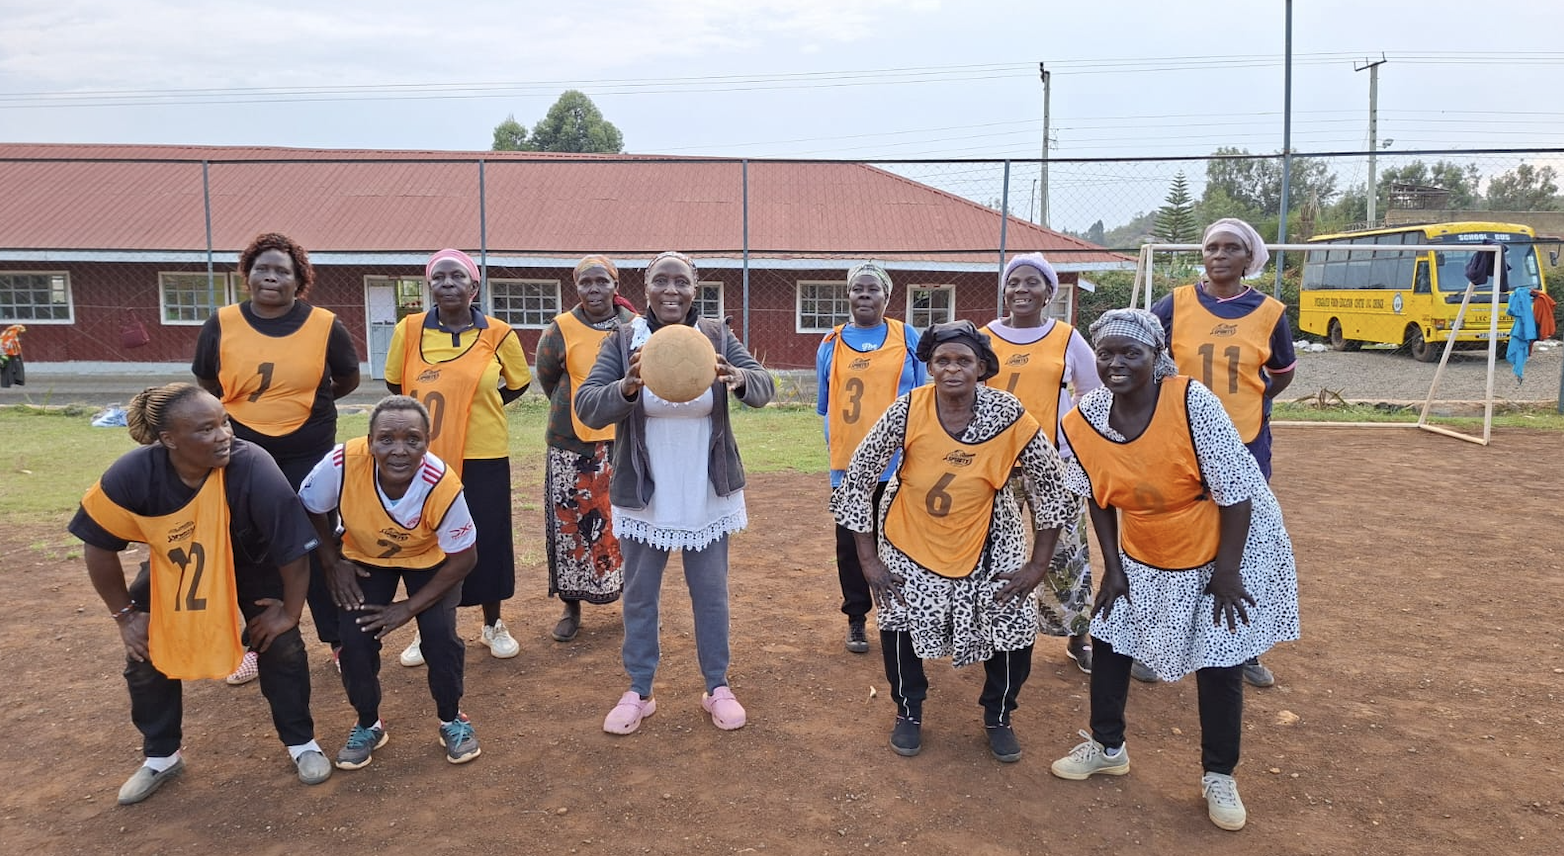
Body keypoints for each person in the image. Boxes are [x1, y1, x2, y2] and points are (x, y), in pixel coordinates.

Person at [1048, 309, 1300, 832]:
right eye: (1107, 353)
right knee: (1114, 635)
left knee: (1220, 654)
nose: (1116, 363)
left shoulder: (1190, 403)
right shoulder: (1085, 416)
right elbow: (1097, 494)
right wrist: (1113, 571)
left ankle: (1219, 775)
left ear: (1156, 357)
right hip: (1149, 536)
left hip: (1226, 539)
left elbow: (1236, 494)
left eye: (1130, 353)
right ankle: (1107, 745)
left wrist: (1227, 575)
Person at [69, 383, 332, 805]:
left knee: (280, 647)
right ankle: (161, 756)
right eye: (206, 429)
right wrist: (125, 615)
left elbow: (293, 552)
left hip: (253, 565)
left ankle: (302, 743)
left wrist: (289, 612)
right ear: (169, 440)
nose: (224, 435)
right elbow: (97, 543)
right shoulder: (134, 474)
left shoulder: (252, 466)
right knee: (145, 650)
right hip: (179, 569)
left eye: (224, 422)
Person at [830, 320, 1069, 763]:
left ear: (982, 368)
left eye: (963, 361)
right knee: (899, 618)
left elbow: (1053, 486)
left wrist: (1037, 566)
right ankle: (908, 710)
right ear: (930, 366)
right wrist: (869, 560)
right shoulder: (907, 409)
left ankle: (999, 714)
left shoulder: (1010, 414)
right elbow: (859, 477)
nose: (952, 370)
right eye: (942, 361)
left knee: (1013, 620)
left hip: (989, 539)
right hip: (909, 534)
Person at [575, 250, 775, 735]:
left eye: (680, 282)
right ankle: (639, 690)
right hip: (646, 489)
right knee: (641, 595)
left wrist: (739, 377)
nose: (670, 290)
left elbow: (765, 387)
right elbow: (587, 405)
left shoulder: (715, 336)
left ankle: (717, 686)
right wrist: (626, 386)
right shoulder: (625, 340)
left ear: (694, 287)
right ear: (645, 287)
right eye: (660, 281)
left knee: (711, 595)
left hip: (707, 487)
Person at [192, 232, 360, 684]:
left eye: (282, 270)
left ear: (298, 279)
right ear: (247, 275)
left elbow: (347, 378)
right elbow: (207, 381)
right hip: (243, 455)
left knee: (321, 543)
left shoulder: (324, 324)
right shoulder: (222, 323)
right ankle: (254, 642)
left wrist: (309, 407)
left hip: (308, 451)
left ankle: (339, 640)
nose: (271, 276)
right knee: (252, 547)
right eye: (263, 268)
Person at [1149, 217, 1296, 689]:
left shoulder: (1270, 311)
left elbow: (1283, 371)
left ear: (1248, 258)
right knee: (1174, 535)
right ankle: (1159, 643)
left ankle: (1245, 646)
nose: (1219, 255)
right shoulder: (1176, 303)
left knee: (1244, 538)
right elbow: (1140, 350)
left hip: (1245, 439)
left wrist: (1256, 397)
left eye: (1231, 248)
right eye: (1212, 247)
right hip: (1179, 440)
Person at [298, 395, 481, 768]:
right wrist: (333, 561)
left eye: (412, 439)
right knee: (354, 638)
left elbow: (465, 558)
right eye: (386, 439)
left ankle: (452, 719)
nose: (399, 450)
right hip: (365, 558)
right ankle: (368, 723)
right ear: (369, 442)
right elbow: (310, 506)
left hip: (431, 562)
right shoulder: (343, 463)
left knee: (439, 636)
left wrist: (408, 609)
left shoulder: (441, 484)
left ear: (427, 442)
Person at [386, 248, 532, 665]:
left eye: (457, 277)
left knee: (484, 537)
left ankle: (492, 624)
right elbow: (396, 384)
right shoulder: (409, 330)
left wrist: (475, 404)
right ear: (429, 286)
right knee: (425, 537)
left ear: (474, 286)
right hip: (424, 457)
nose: (447, 284)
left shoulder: (499, 333)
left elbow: (517, 384)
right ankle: (426, 627)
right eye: (439, 278)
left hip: (483, 454)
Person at [982, 252, 1102, 673]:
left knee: (1067, 549)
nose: (1021, 290)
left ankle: (1076, 635)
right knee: (995, 548)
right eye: (1013, 282)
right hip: (997, 463)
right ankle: (992, 626)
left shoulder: (1067, 337)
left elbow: (1092, 393)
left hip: (1054, 463)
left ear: (1050, 292)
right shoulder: (985, 336)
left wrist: (1080, 444)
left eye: (1032, 282)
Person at [815, 262, 926, 655]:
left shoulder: (907, 337)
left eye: (872, 290)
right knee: (850, 546)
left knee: (899, 540)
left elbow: (925, 399)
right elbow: (825, 407)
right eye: (857, 290)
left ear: (887, 297)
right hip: (848, 466)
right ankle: (857, 618)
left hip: (900, 463)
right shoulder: (831, 343)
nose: (864, 296)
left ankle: (904, 615)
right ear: (848, 296)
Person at [534, 255, 637, 643]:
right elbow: (547, 377)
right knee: (571, 528)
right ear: (576, 287)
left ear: (615, 285)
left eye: (601, 282)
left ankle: (633, 603)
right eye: (585, 283)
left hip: (624, 442)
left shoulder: (635, 326)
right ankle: (570, 605)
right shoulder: (560, 328)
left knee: (626, 524)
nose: (593, 290)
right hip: (571, 445)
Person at [1, 323, 24, 387]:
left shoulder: (6, 334)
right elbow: (6, 345)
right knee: (8, 369)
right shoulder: (11, 335)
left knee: (11, 368)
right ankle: (7, 383)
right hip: (9, 354)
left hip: (11, 353)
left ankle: (14, 381)